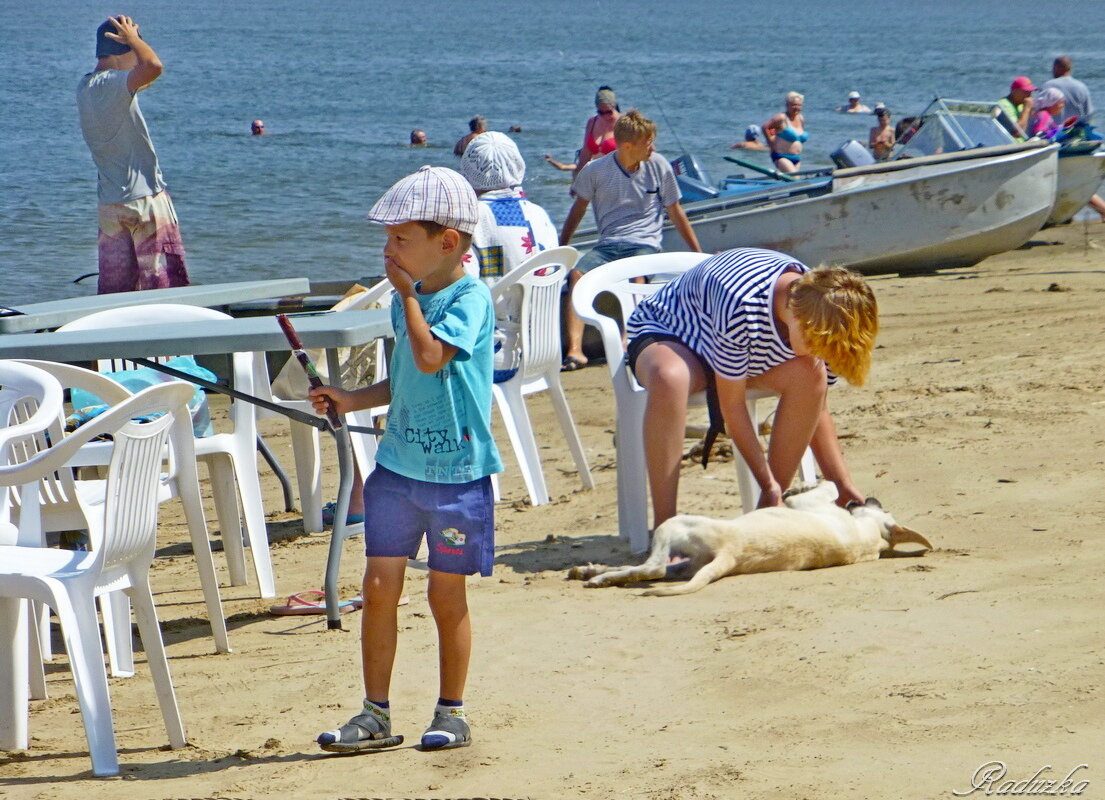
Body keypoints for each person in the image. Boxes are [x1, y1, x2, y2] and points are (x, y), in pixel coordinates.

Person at [311, 165, 502, 754]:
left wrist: (405, 297)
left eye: (400, 239)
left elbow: (429, 358)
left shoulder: (470, 297)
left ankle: (452, 710)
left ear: (447, 242)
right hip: (397, 469)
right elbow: (404, 383)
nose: (387, 250)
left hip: (456, 477)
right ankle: (375, 713)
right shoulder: (409, 299)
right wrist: (351, 399)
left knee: (446, 597)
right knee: (377, 586)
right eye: (387, 238)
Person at [624, 247, 878, 531]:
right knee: (670, 377)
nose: (821, 352)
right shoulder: (741, 303)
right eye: (816, 344)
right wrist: (764, 479)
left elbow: (816, 409)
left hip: (739, 348)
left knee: (811, 375)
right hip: (674, 333)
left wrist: (842, 486)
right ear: (798, 318)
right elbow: (731, 405)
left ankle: (769, 508)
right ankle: (665, 526)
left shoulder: (823, 305)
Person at [558, 109, 702, 371]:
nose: (653, 147)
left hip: (644, 243)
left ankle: (628, 342)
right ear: (627, 145)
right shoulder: (595, 171)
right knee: (578, 275)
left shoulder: (659, 165)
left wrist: (698, 253)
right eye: (647, 142)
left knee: (636, 276)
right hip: (608, 244)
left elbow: (676, 212)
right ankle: (575, 350)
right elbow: (576, 211)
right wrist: (561, 250)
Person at [77, 15, 189, 295]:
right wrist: (135, 39)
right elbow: (153, 66)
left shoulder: (85, 87)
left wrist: (133, 44)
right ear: (122, 49)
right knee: (165, 287)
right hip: (146, 201)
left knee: (116, 290)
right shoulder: (115, 84)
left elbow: (144, 76)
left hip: (111, 205)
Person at [460, 132, 558, 284]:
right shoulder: (539, 214)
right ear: (517, 164)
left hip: (494, 307)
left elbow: (466, 282)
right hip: (545, 306)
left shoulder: (472, 218)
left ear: (469, 170)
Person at [573, 86, 621, 177]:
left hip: (617, 178)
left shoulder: (624, 123)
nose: (605, 116)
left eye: (609, 112)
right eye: (601, 113)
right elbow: (584, 156)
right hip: (597, 178)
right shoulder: (592, 122)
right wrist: (576, 180)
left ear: (614, 106)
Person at [763, 92, 809, 174]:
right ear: (787, 105)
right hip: (782, 157)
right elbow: (766, 127)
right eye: (794, 105)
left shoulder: (801, 118)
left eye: (799, 105)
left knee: (793, 182)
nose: (797, 107)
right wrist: (771, 141)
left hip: (797, 158)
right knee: (795, 180)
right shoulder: (781, 118)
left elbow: (798, 138)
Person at [1044, 56, 1093, 122]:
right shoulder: (1081, 86)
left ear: (1057, 68)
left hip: (1053, 131)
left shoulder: (1048, 85)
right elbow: (1089, 114)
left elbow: (1039, 111)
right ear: (1070, 69)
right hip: (1074, 130)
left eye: (1053, 67)